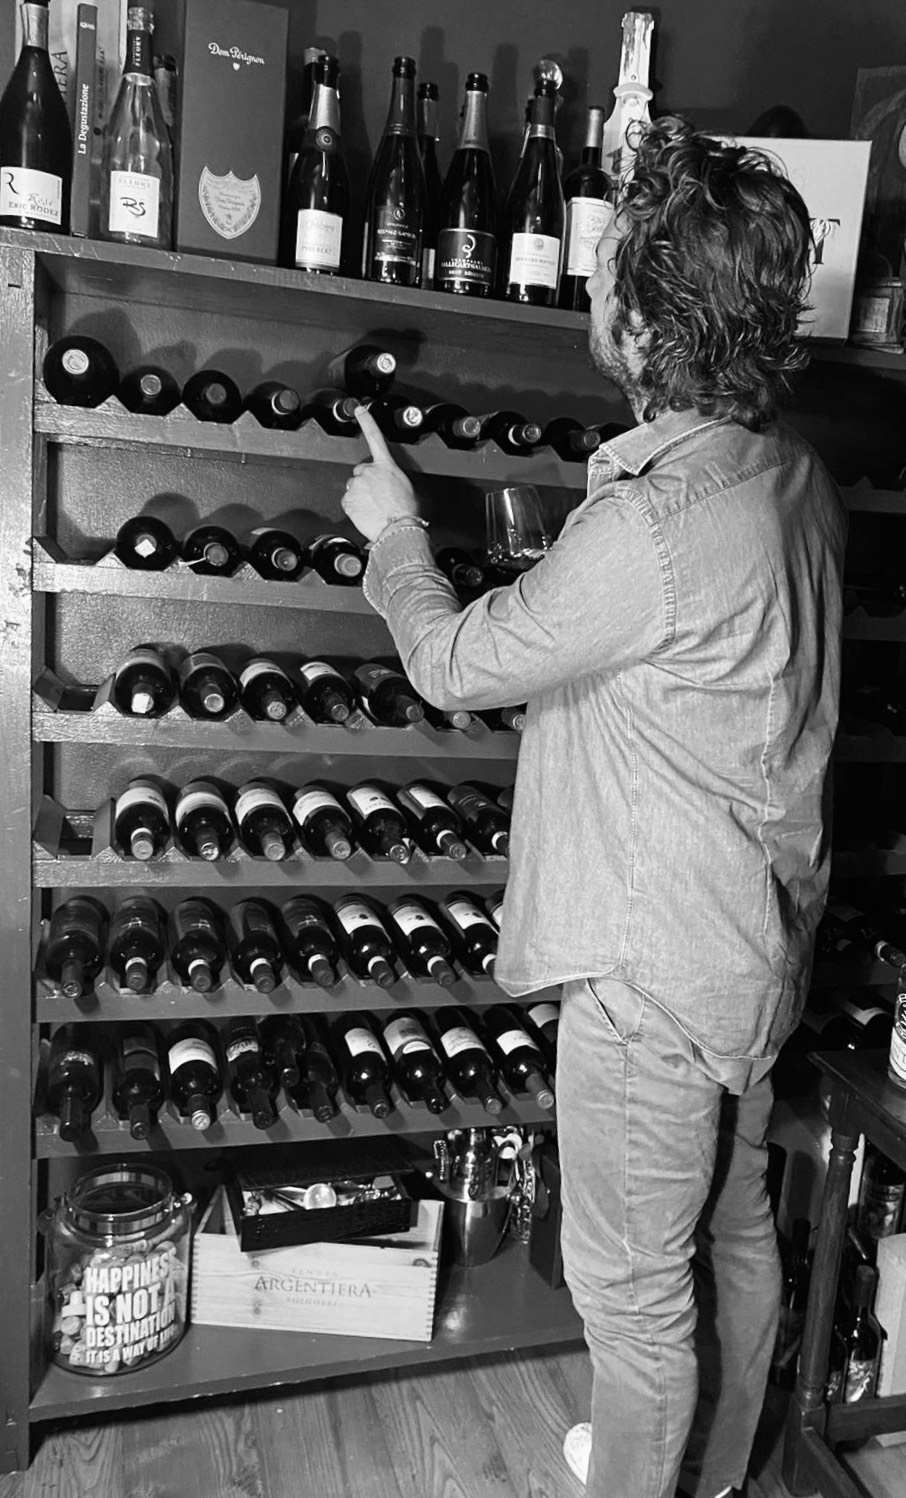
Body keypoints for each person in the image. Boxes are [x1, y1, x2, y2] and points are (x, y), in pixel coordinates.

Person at [340, 115, 846, 1498]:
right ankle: (716, 1473)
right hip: (753, 945)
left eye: (610, 260)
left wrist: (394, 530)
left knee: (630, 1296)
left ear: (645, 314)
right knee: (734, 1229)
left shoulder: (651, 526)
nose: (592, 280)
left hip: (650, 973)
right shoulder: (791, 475)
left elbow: (455, 664)